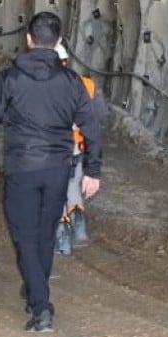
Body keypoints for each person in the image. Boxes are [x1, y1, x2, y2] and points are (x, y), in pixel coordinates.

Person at [0, 11, 103, 333]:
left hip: (23, 168)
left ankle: (42, 306)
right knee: (46, 233)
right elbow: (92, 128)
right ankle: (35, 291)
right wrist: (92, 170)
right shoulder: (72, 82)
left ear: (28, 39)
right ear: (59, 41)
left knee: (24, 235)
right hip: (58, 169)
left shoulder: (10, 79)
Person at [52, 44, 107, 257]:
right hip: (78, 147)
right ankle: (79, 227)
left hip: (54, 149)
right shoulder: (87, 83)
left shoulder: (48, 85)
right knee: (73, 184)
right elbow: (100, 116)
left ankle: (62, 238)